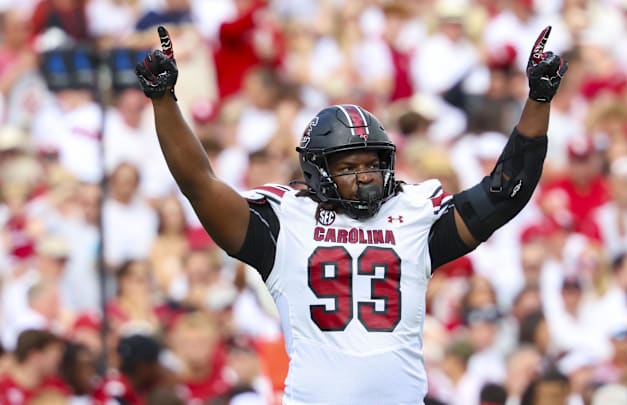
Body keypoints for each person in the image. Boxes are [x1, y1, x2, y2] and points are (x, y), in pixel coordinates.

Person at [135, 25, 567, 405]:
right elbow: (199, 183)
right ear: (318, 172)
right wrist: (164, 100)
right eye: (348, 167)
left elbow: (505, 192)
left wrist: (538, 99)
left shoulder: (414, 214)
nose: (365, 176)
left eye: (372, 163)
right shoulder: (284, 222)